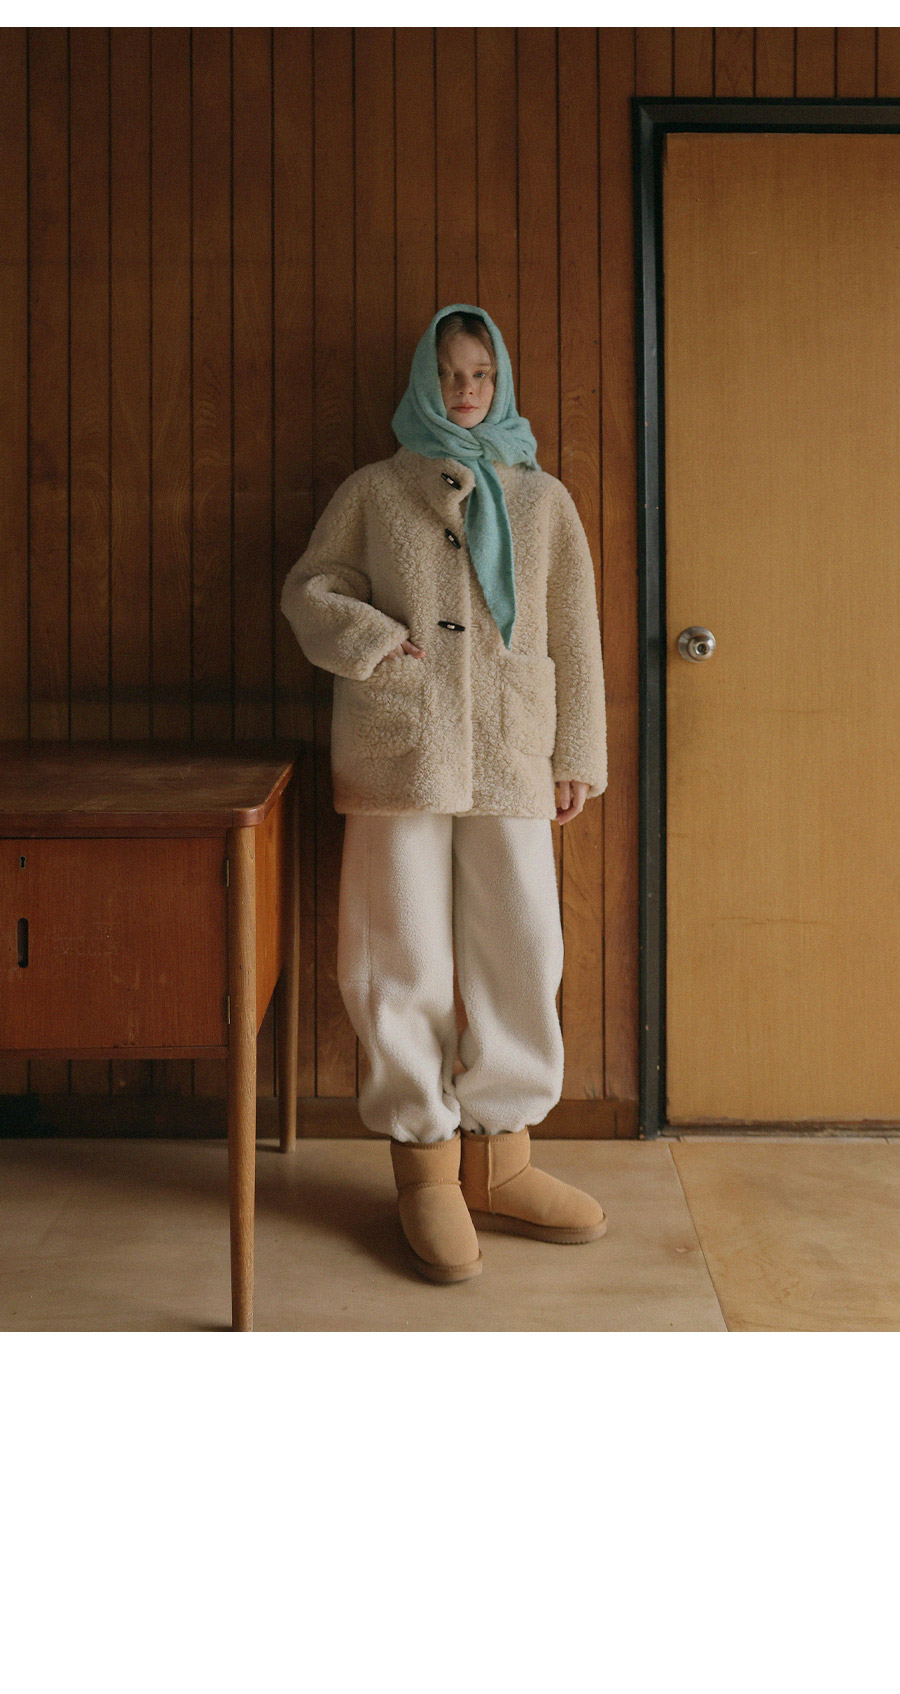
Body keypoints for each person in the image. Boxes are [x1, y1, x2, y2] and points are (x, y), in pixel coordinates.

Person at [280, 302, 609, 1285]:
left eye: (481, 374)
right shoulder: (376, 490)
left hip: (511, 743)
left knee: (523, 944)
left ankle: (501, 1160)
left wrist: (576, 751)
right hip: (401, 747)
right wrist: (378, 642)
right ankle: (425, 1166)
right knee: (397, 951)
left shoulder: (543, 499)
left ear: (499, 382)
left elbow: (576, 631)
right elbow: (310, 590)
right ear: (426, 381)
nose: (466, 390)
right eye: (451, 373)